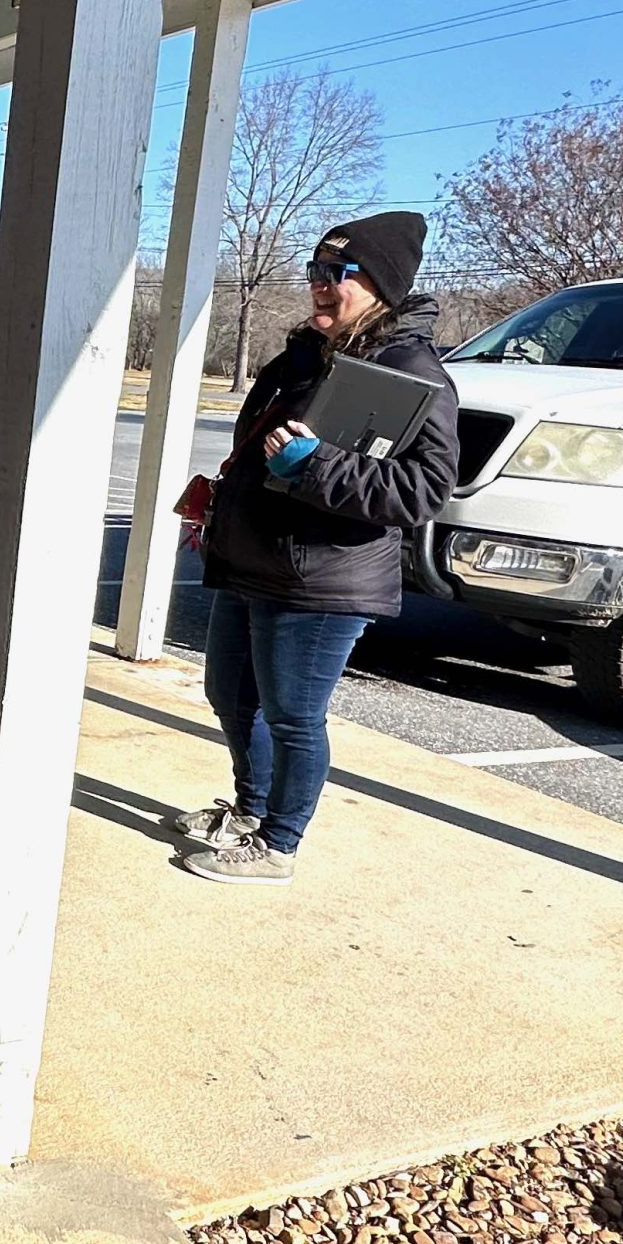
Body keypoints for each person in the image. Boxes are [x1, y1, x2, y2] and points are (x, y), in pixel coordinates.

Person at [174, 211, 460, 884]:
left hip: (322, 578)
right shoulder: (305, 354)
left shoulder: (411, 371)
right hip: (253, 560)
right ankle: (250, 810)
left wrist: (315, 467)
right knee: (230, 695)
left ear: (382, 286)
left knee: (294, 717)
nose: (321, 284)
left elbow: (425, 490)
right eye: (316, 270)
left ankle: (278, 845)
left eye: (339, 272)